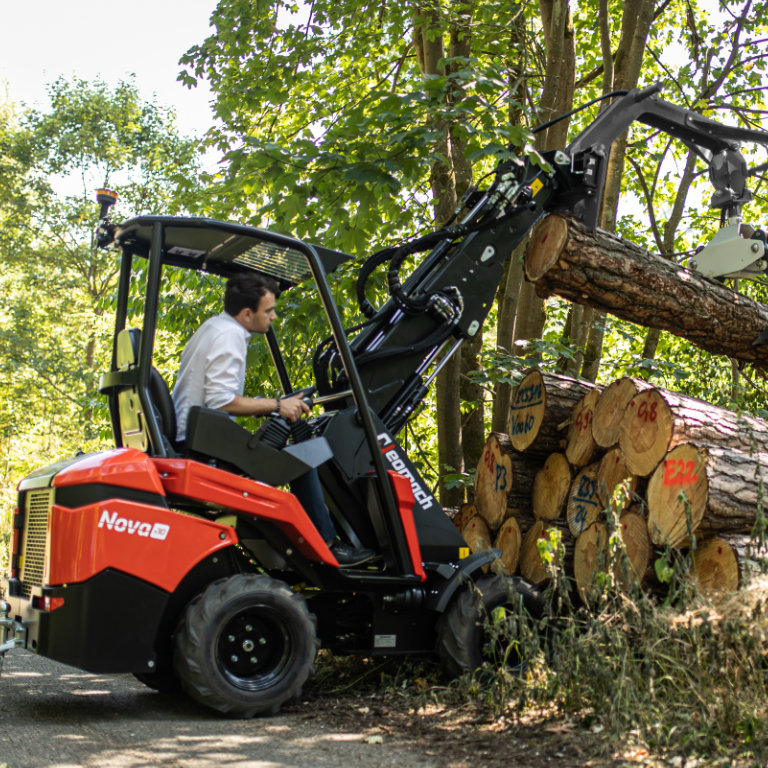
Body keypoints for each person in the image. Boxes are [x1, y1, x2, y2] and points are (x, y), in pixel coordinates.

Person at [172, 272, 375, 567]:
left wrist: (277, 407)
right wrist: (278, 406)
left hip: (199, 436)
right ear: (246, 313)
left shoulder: (213, 327)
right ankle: (329, 545)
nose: (274, 317)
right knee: (303, 458)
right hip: (202, 447)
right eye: (268, 311)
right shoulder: (230, 335)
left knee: (289, 452)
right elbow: (220, 400)